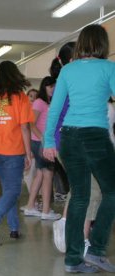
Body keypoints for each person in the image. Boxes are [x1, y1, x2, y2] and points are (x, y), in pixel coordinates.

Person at [43, 24, 115, 273]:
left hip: (69, 137)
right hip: (95, 136)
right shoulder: (109, 68)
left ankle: (73, 259)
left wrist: (48, 142)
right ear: (103, 45)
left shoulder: (68, 70)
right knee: (112, 193)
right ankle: (95, 250)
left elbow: (55, 109)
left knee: (80, 197)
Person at [0, 60, 34, 245]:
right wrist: (29, 153)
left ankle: (14, 228)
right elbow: (25, 128)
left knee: (7, 190)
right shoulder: (21, 97)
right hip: (13, 152)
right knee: (13, 190)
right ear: (15, 75)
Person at [23, 76, 61, 220]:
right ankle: (45, 211)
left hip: (43, 142)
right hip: (41, 143)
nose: (53, 89)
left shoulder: (50, 103)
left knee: (40, 174)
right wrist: (43, 139)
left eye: (55, 87)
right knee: (48, 175)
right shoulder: (39, 102)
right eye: (50, 86)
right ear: (44, 87)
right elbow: (31, 124)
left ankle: (30, 206)